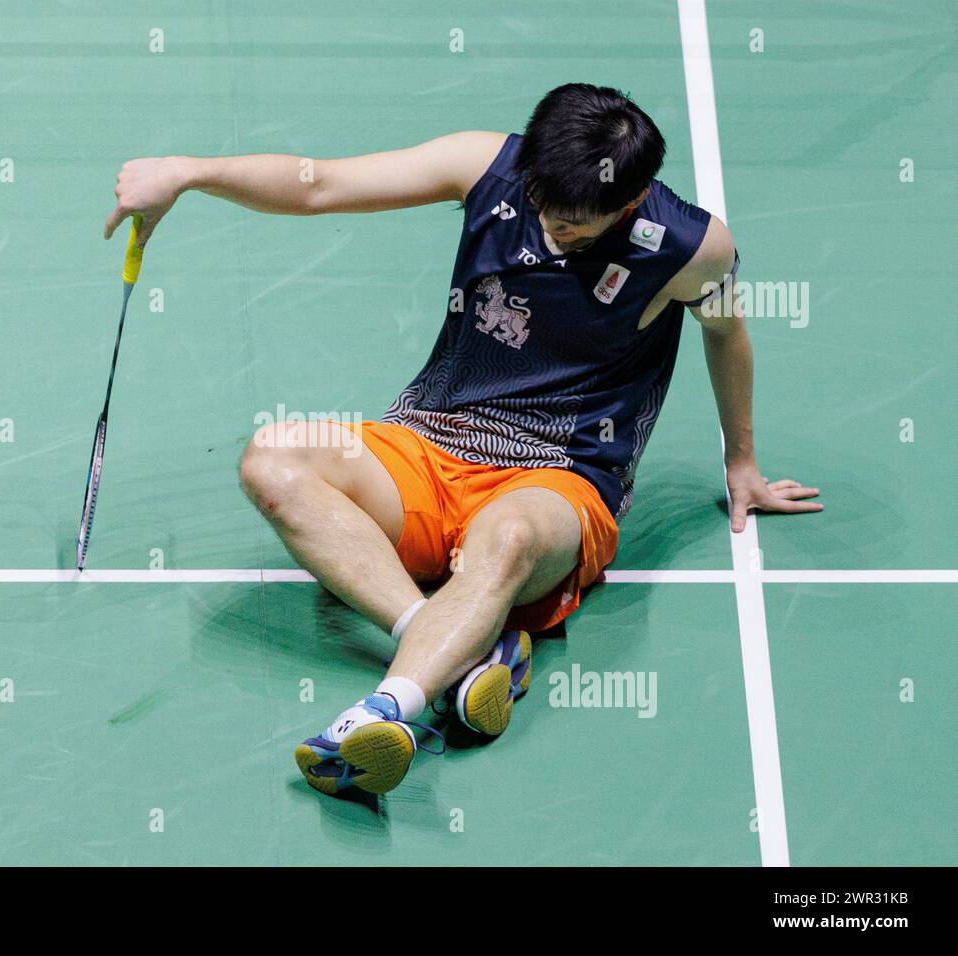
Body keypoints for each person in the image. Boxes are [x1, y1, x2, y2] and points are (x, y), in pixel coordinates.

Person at [104, 83, 823, 797]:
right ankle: (466, 643)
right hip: (427, 444)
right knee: (272, 459)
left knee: (506, 540)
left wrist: (742, 461)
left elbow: (728, 334)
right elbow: (319, 185)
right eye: (541, 202)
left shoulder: (692, 249)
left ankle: (385, 712)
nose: (548, 226)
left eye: (573, 222)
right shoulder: (487, 166)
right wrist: (188, 172)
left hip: (559, 479)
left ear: (627, 203)